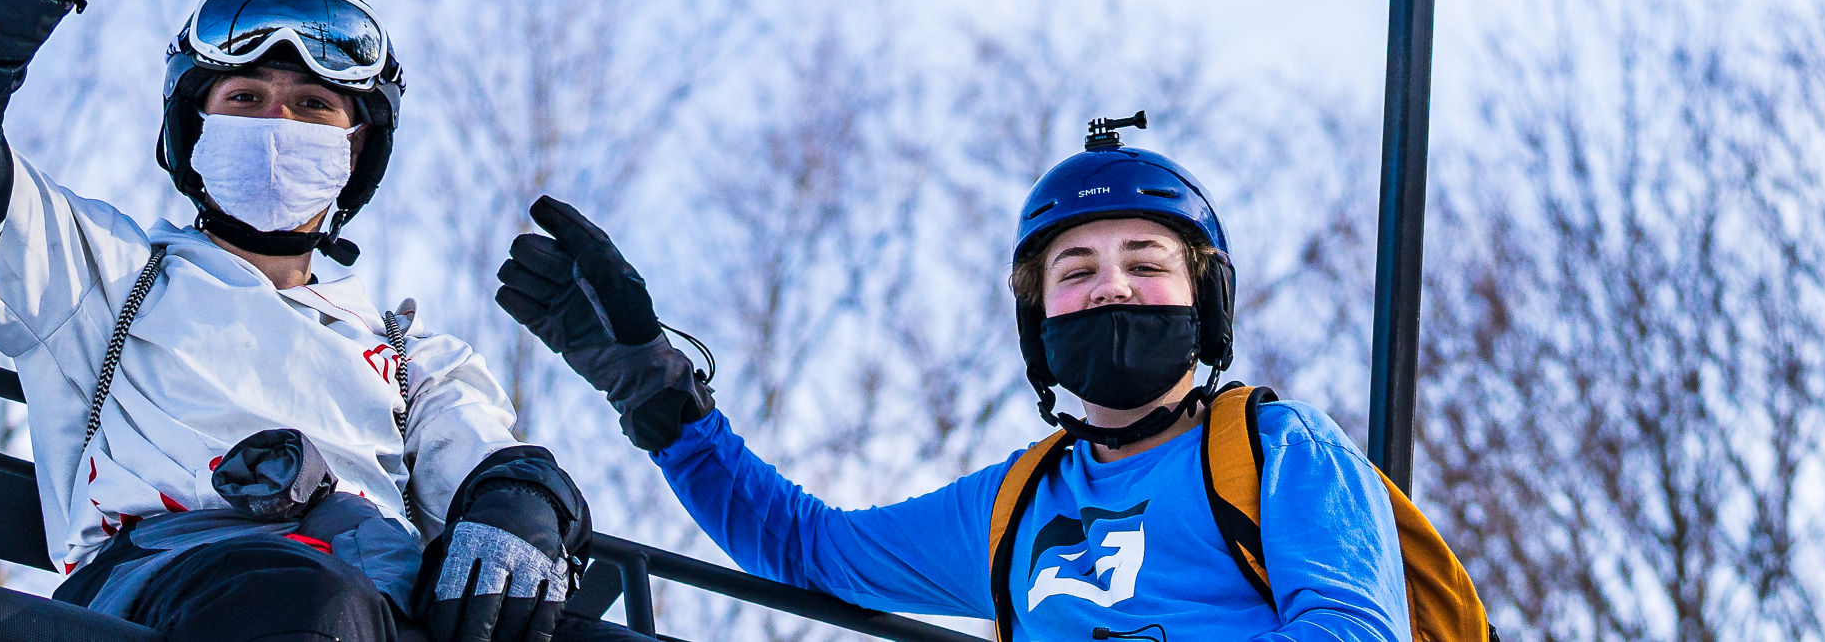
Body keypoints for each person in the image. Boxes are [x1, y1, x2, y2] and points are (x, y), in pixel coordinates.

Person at [0, 0, 647, 642]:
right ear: (193, 134)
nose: (278, 123)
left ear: (356, 153)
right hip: (188, 585)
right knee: (308, 603)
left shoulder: (409, 354)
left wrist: (521, 505)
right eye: (245, 100)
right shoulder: (105, 273)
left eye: (312, 107)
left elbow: (486, 462)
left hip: (385, 600)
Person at [494, 118, 1410, 641]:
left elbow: (1353, 631)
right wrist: (656, 392)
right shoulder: (1017, 507)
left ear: (1205, 302)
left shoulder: (1280, 453)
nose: (1114, 286)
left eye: (1147, 261)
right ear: (1039, 322)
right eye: (1077, 272)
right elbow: (808, 550)